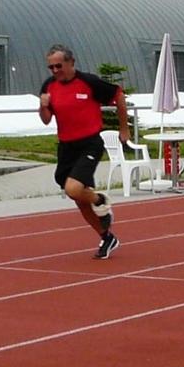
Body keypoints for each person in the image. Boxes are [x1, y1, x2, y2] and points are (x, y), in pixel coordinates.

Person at [39, 44, 128, 260]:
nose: (55, 71)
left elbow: (118, 95)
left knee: (74, 189)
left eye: (58, 65)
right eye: (51, 67)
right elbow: (46, 120)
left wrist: (124, 129)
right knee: (78, 198)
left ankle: (100, 200)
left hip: (89, 143)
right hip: (66, 146)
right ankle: (106, 236)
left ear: (71, 62)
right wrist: (43, 106)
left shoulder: (88, 82)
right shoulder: (48, 86)